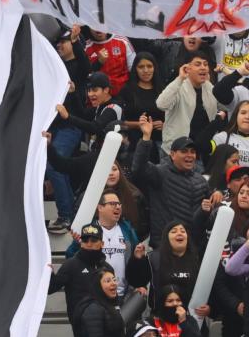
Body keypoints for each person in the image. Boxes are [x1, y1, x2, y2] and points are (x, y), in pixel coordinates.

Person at [133, 116, 221, 246]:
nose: (189, 155)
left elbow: (209, 210)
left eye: (192, 152)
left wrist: (217, 193)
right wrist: (146, 137)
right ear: (172, 155)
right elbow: (139, 168)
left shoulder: (201, 180)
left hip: (192, 247)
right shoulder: (160, 173)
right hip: (164, 245)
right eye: (184, 151)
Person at [156, 50, 218, 156]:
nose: (203, 67)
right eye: (198, 64)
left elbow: (227, 106)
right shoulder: (178, 85)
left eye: (205, 64)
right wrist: (180, 78)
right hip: (176, 152)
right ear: (187, 68)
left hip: (202, 152)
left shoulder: (209, 87)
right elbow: (161, 104)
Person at [72, 268, 125, 337]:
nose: (114, 283)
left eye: (114, 280)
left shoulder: (109, 304)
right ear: (97, 285)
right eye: (108, 281)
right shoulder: (93, 309)